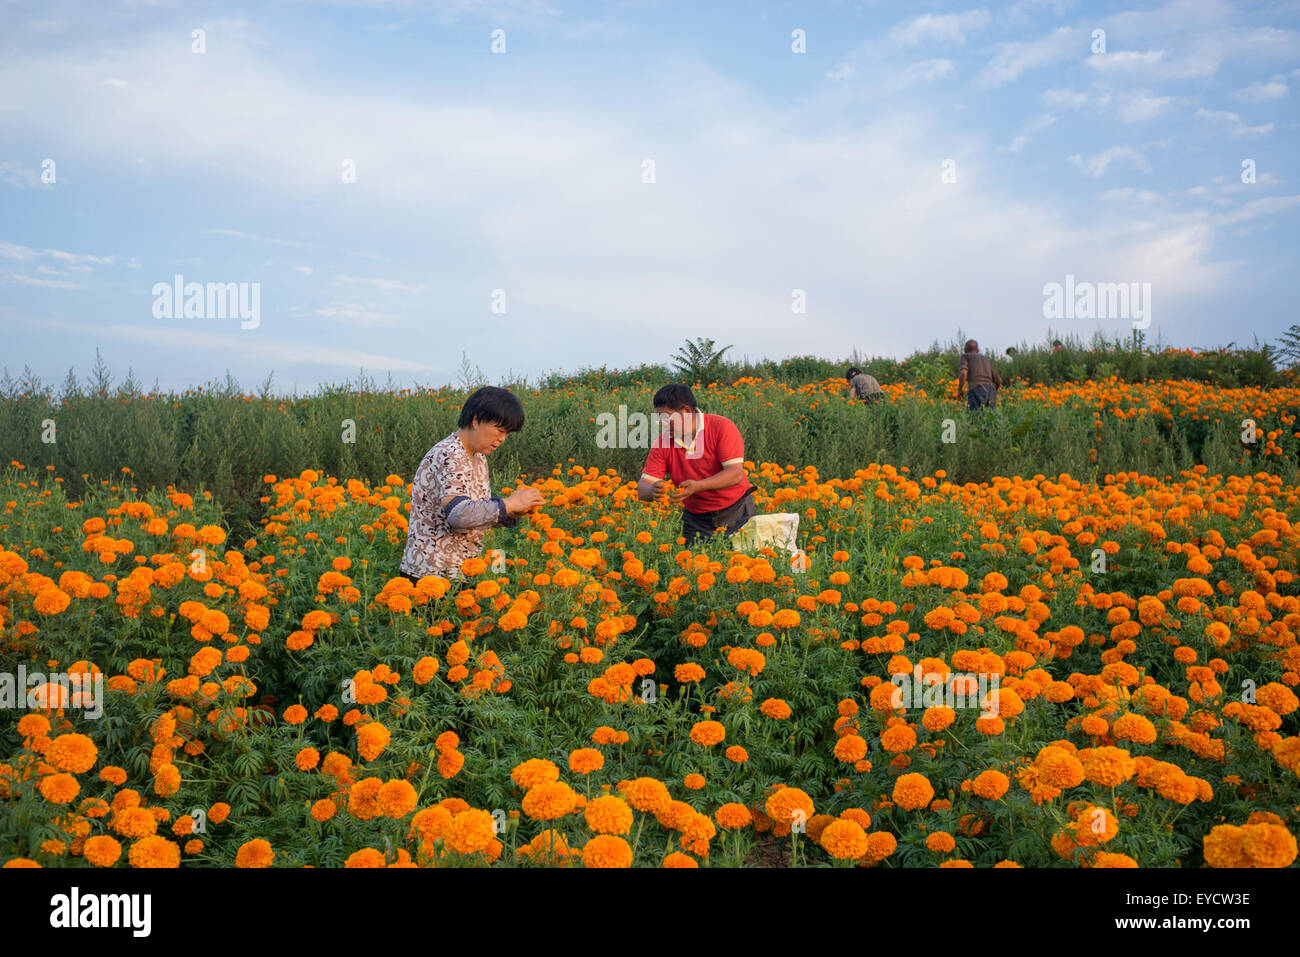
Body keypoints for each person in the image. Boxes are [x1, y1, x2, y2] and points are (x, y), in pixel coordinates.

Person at [399, 386, 544, 583]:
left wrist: (510, 512)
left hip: (460, 572)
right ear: (476, 420)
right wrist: (507, 504)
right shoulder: (450, 454)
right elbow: (459, 514)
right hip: (431, 576)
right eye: (499, 430)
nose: (502, 439)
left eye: (507, 433)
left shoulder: (478, 456)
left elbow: (476, 512)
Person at [636, 384, 756, 546]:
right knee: (692, 567)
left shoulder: (721, 427)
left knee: (743, 562)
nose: (662, 423)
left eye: (666, 417)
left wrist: (698, 486)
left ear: (685, 411)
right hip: (696, 519)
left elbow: (735, 474)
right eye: (659, 419)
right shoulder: (663, 443)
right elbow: (643, 488)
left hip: (737, 511)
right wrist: (653, 490)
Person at [956, 339, 1002, 410]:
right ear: (978, 350)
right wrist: (996, 390)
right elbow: (998, 380)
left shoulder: (965, 356)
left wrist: (959, 389)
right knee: (989, 418)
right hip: (990, 390)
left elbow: (963, 373)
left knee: (974, 417)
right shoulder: (986, 360)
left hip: (976, 389)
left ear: (965, 350)